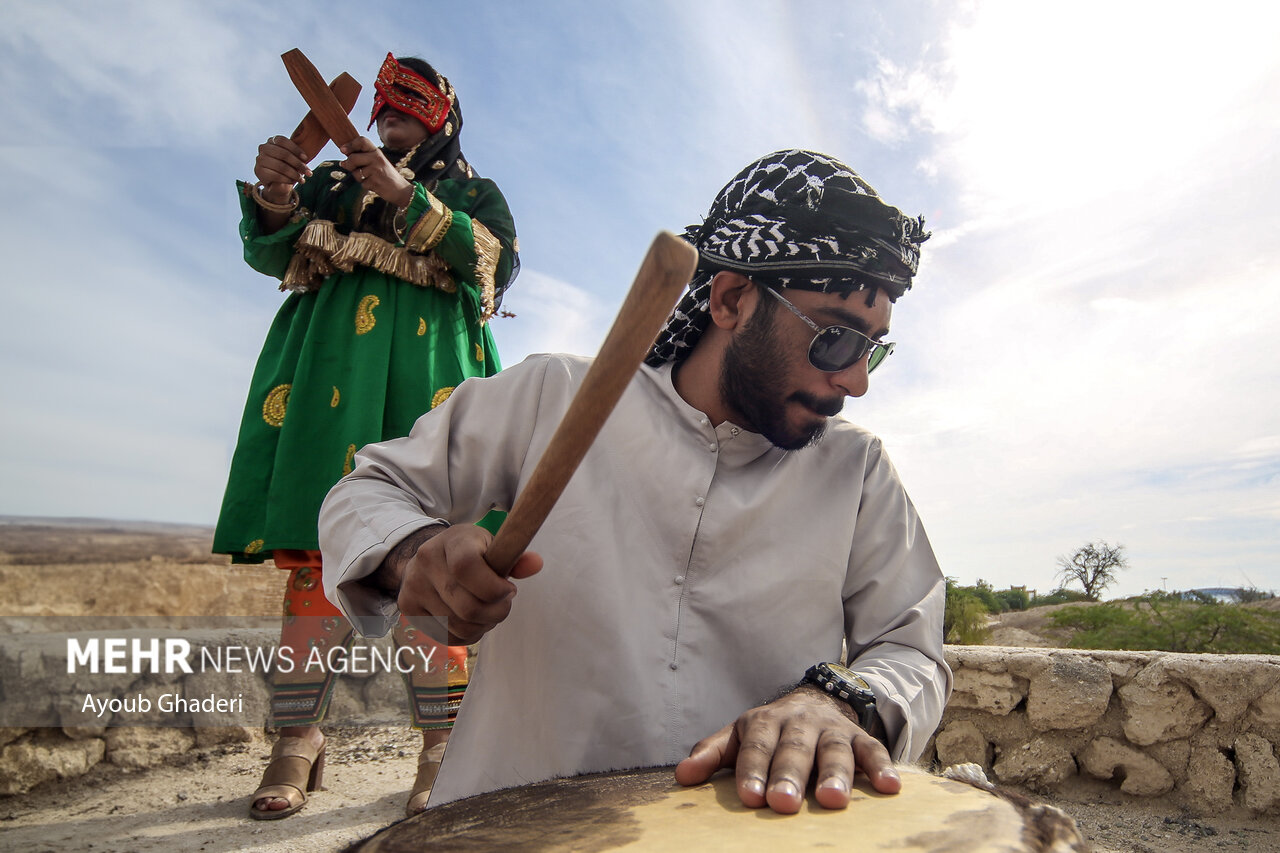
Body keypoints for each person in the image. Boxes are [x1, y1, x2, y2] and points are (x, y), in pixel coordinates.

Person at [319, 149, 950, 815]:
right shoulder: (557, 396)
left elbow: (913, 651)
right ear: (733, 298)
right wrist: (412, 551)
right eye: (836, 340)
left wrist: (834, 698)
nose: (856, 381)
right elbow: (365, 491)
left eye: (873, 349)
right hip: (513, 820)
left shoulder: (857, 471)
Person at [212, 52, 518, 820]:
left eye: (408, 105)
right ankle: (298, 738)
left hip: (431, 382)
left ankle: (441, 745)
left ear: (442, 118)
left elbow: (497, 265)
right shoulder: (331, 185)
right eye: (383, 105)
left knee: (435, 554)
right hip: (330, 383)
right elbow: (270, 249)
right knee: (321, 553)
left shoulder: (473, 192)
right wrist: (279, 190)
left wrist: (405, 194)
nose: (389, 115)